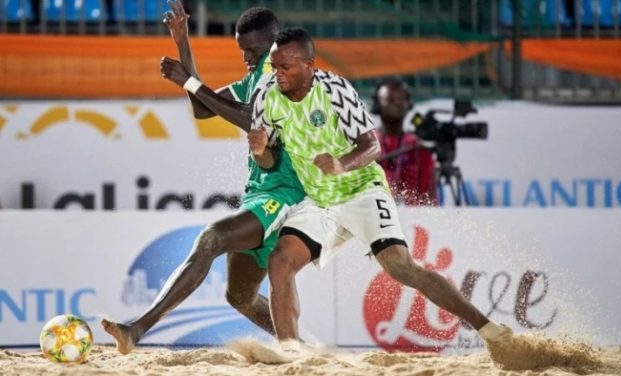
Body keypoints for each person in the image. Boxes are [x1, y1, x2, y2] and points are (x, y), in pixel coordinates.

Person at [247, 27, 512, 347]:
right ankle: (291, 350)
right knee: (280, 261)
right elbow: (268, 163)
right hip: (319, 199)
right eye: (274, 66)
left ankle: (488, 329)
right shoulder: (266, 96)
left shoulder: (335, 90)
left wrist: (341, 163)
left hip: (361, 190)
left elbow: (371, 147)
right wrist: (261, 151)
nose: (278, 74)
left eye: (285, 66)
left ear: (309, 64)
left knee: (401, 266)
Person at [101, 3, 306, 354]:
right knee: (239, 296)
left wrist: (191, 81)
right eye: (242, 51)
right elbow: (202, 107)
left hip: (285, 194)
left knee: (211, 238)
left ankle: (138, 328)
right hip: (261, 193)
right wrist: (183, 43)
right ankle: (301, 347)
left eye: (253, 51)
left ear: (273, 43)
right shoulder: (253, 78)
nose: (246, 58)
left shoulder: (280, 79)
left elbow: (250, 121)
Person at [372, 78, 437, 206]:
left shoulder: (419, 149)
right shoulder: (366, 145)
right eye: (391, 99)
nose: (397, 103)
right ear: (378, 104)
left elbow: (430, 201)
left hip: (414, 221)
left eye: (401, 99)